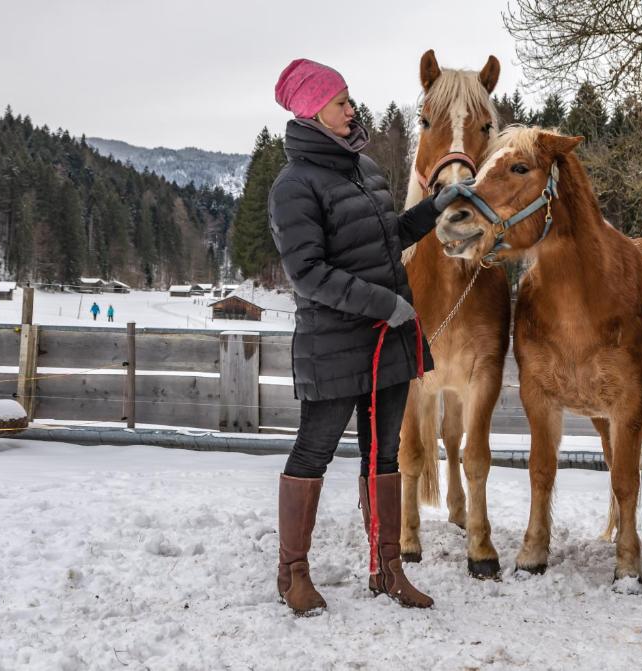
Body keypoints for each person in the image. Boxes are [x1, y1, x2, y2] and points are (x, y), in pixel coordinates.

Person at [268, 58, 474, 616]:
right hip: (335, 344)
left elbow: (391, 237)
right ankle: (293, 574)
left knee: (383, 454)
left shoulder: (364, 171)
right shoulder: (294, 186)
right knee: (314, 452)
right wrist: (386, 303)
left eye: (349, 99)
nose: (351, 109)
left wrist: (436, 207)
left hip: (390, 341)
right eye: (341, 102)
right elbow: (308, 274)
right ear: (313, 110)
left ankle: (387, 570)